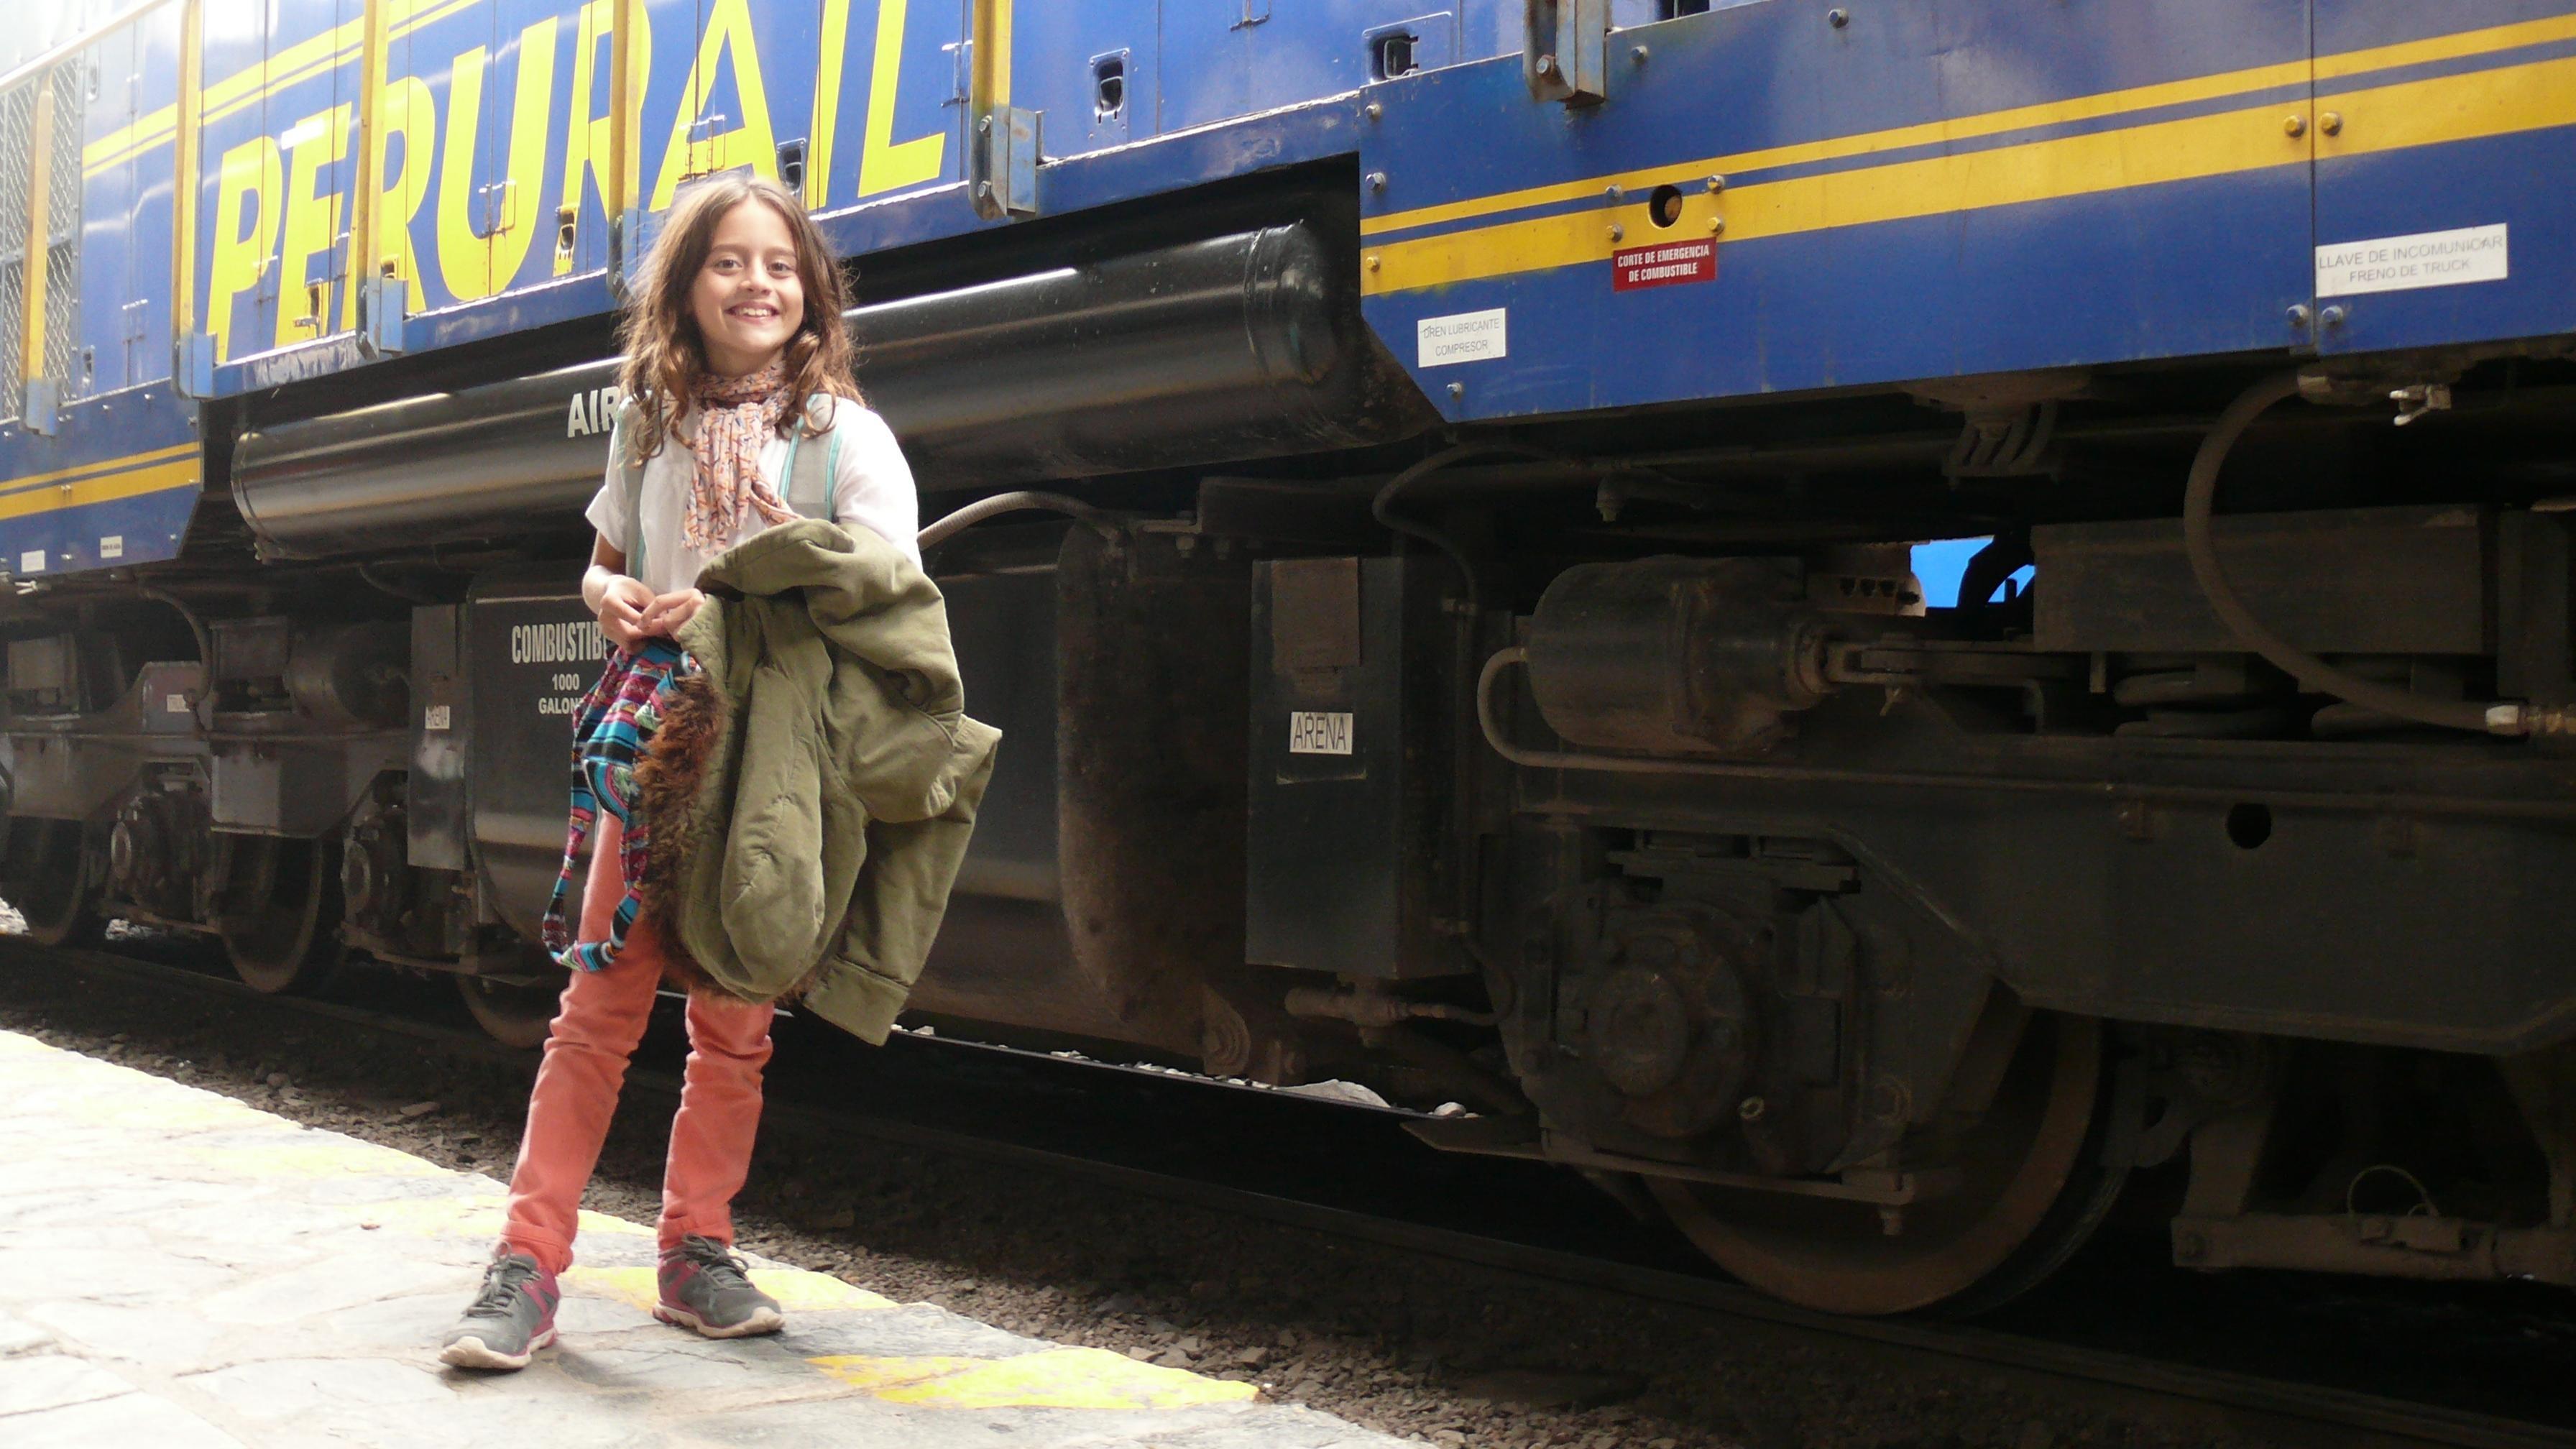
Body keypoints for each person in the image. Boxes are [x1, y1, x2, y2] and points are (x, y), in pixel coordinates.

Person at [440, 173, 920, 1371]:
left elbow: (893, 588)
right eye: (729, 262)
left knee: (736, 1018)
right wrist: (609, 594)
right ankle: (526, 1267)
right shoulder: (647, 424)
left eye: (781, 265)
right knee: (597, 1009)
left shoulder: (846, 438)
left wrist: (772, 574)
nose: (758, 284)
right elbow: (605, 563)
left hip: (771, 756)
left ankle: (696, 1251)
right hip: (659, 741)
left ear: (811, 291)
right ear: (686, 287)